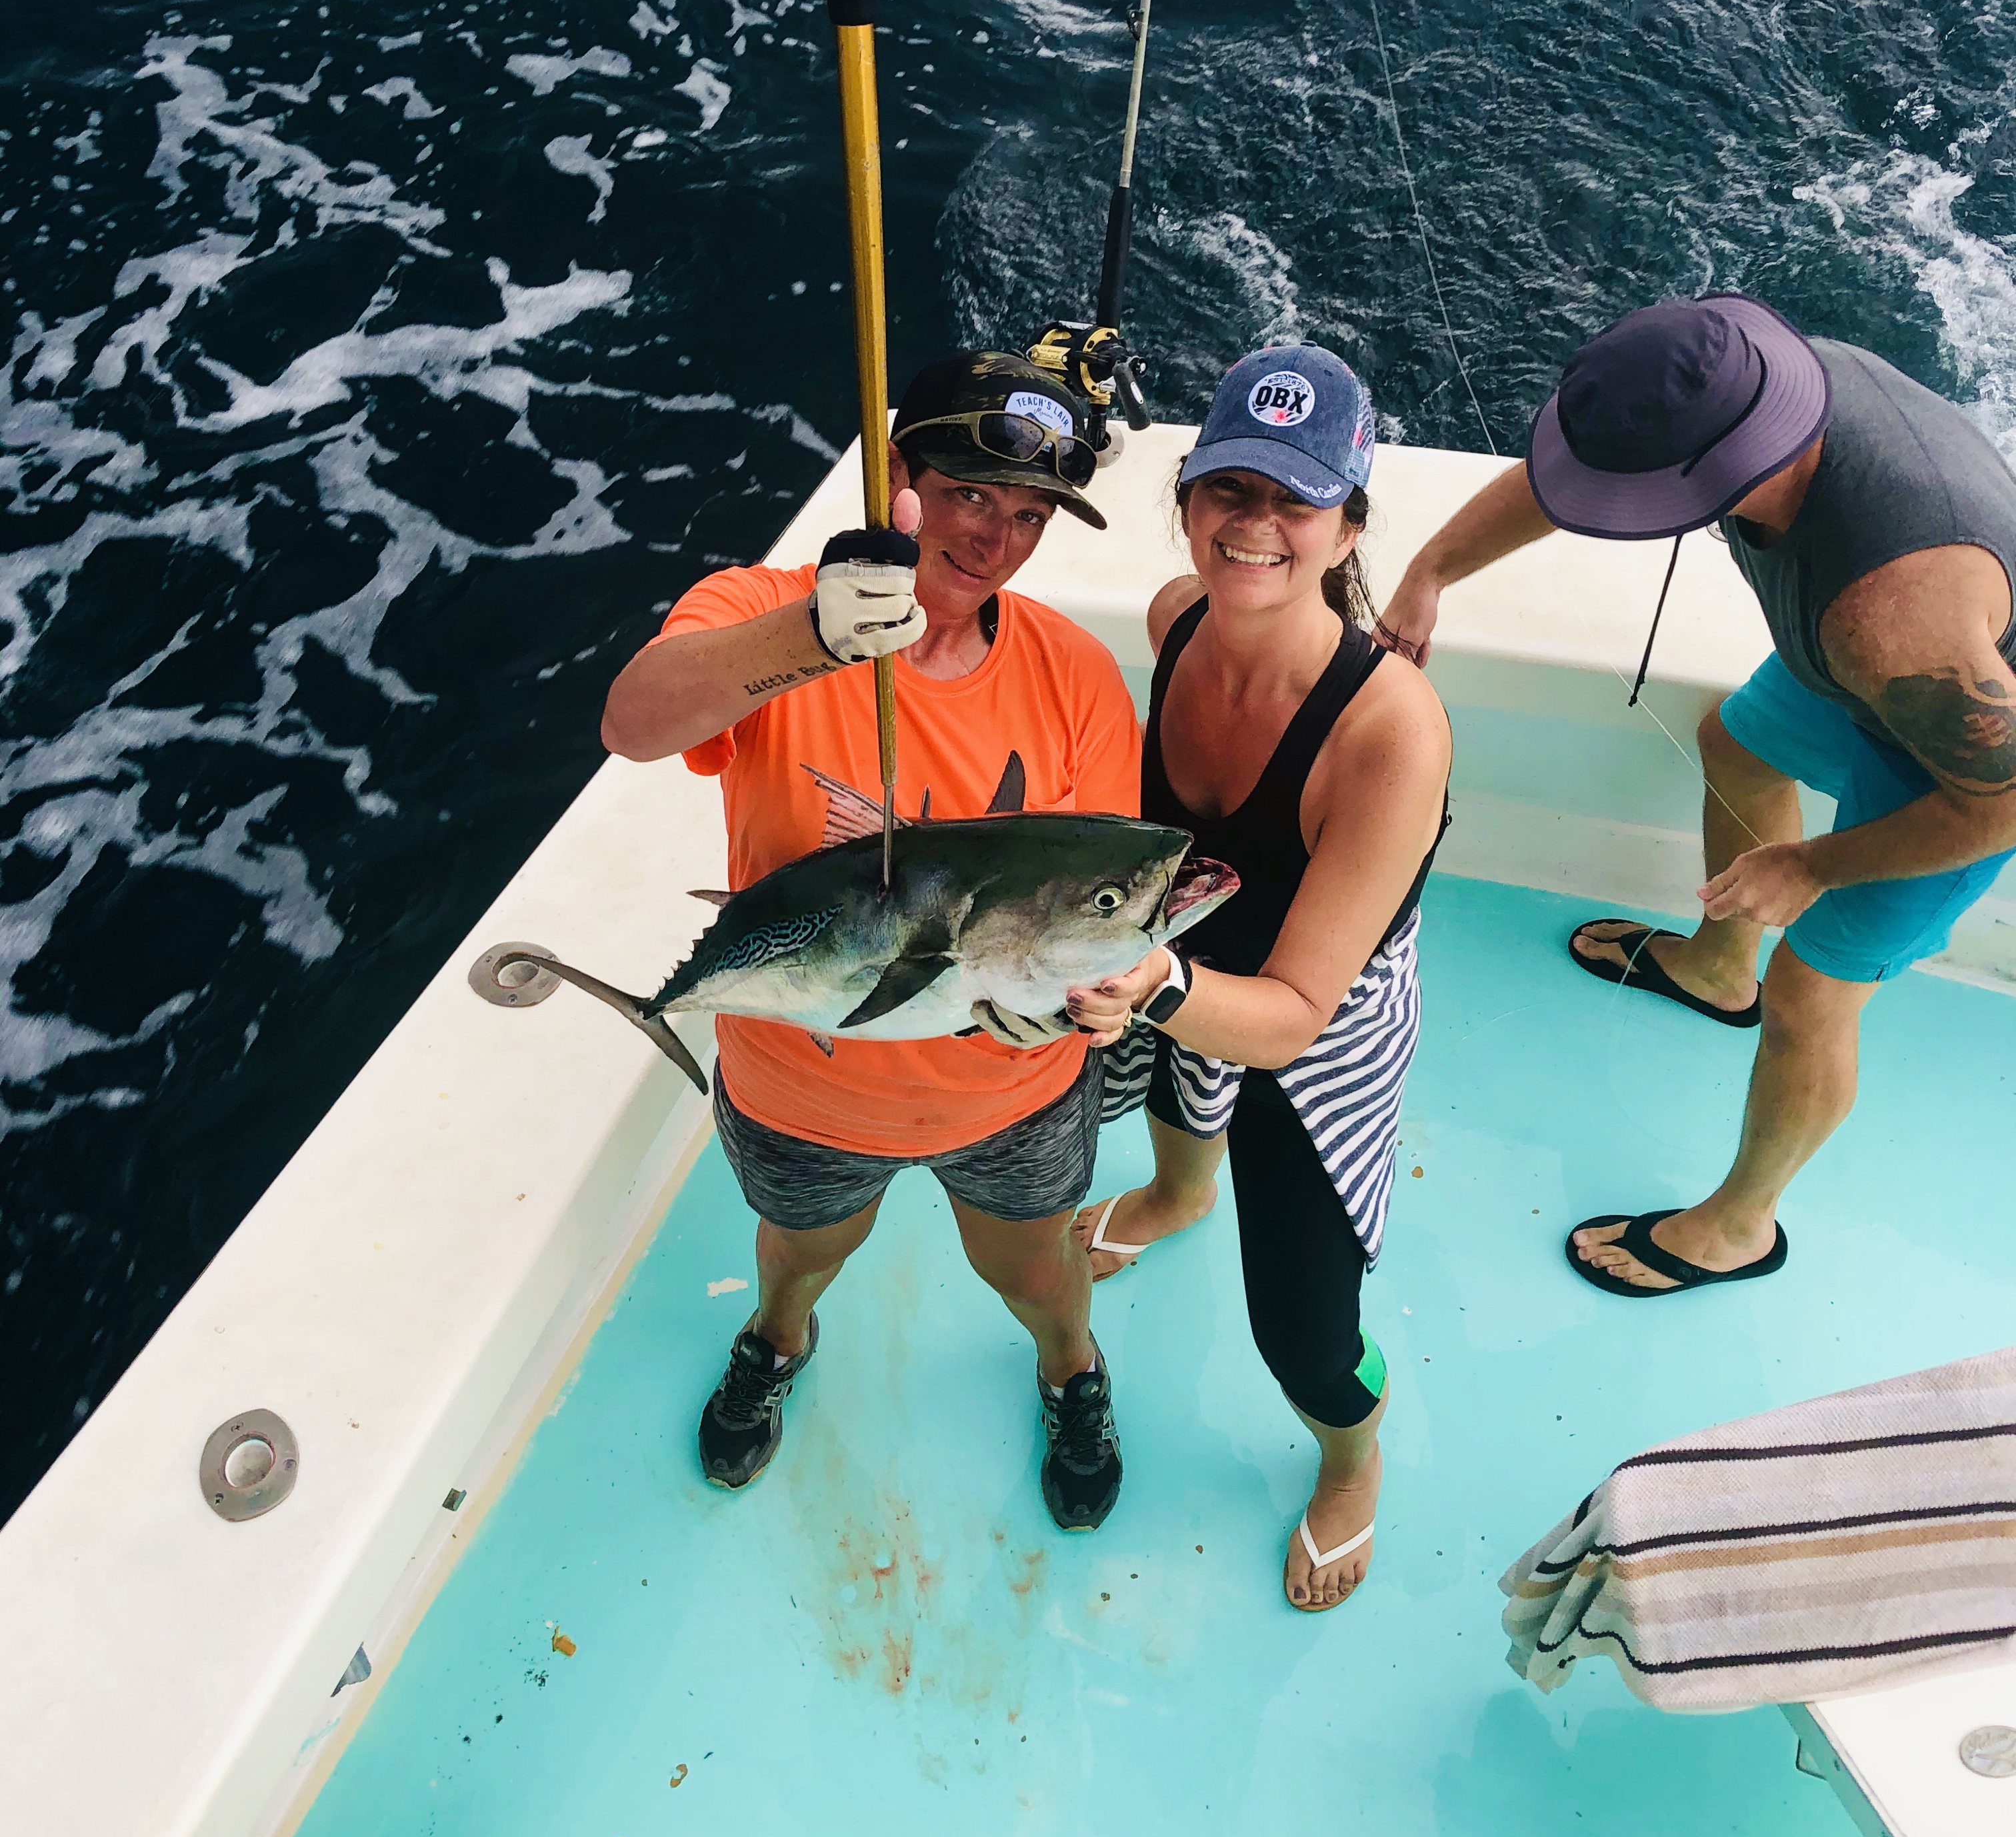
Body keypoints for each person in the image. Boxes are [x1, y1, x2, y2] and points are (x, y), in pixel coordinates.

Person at [1377, 294, 2016, 1298]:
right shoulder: (1756, 388)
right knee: (1737, 744)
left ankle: (1738, 1225)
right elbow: (1576, 481)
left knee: (1813, 994)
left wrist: (1812, 866)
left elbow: (2001, 803)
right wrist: (1431, 570)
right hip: (1855, 681)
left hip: (1967, 765)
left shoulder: (1891, 620)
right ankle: (1722, 968)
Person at [601, 353, 1141, 1529]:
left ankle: (1070, 1368)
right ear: (896, 477)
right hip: (801, 1086)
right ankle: (776, 1338)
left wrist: (1114, 987)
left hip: (1013, 1091)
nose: (996, 540)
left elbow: (1102, 904)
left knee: (1037, 1269)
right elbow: (632, 722)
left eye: (1029, 517)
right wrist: (812, 636)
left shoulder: (1079, 678)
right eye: (968, 495)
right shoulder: (761, 607)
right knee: (802, 1252)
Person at [1061, 345, 1451, 1612]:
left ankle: (1353, 1458)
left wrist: (1151, 979)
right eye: (1231, 487)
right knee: (1180, 1114)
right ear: (1187, 497)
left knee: (1305, 1329)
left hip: (1312, 1020)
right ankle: (1178, 1197)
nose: (1256, 526)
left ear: (1348, 525)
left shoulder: (1391, 731)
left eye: (1295, 500)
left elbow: (1285, 1018)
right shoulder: (1178, 617)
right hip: (1174, 960)